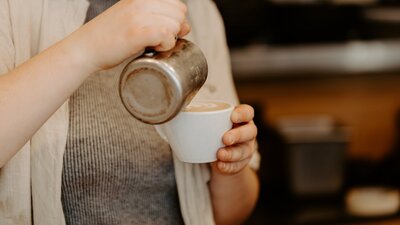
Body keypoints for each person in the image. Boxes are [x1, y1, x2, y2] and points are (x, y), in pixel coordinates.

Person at [0, 0, 259, 224]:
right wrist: (87, 47)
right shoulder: (13, 10)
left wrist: (229, 166)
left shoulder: (198, 11)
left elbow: (227, 216)